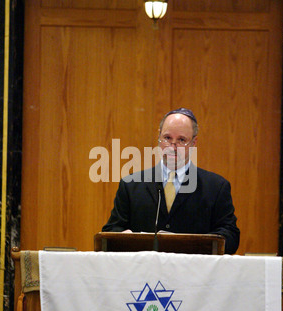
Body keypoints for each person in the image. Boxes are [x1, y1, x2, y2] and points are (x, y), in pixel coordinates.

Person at [102, 108, 240, 254]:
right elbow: (110, 233)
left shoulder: (216, 187)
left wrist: (199, 244)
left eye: (181, 140)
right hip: (144, 273)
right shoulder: (131, 185)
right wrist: (122, 238)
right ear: (159, 136)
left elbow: (230, 236)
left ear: (194, 143)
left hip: (194, 273)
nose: (173, 147)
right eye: (167, 138)